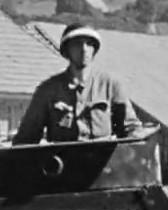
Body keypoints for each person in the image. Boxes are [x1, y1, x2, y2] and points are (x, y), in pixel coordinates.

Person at [12, 23, 141, 145]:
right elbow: (26, 139)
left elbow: (130, 130)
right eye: (77, 44)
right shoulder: (48, 90)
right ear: (67, 50)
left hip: (103, 162)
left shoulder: (110, 86)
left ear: (94, 50)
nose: (84, 49)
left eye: (89, 44)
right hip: (64, 163)